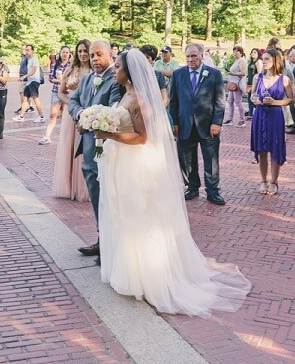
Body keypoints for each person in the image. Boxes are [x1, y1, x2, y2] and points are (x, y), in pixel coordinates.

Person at [93, 49, 251, 316]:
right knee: (124, 215)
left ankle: (147, 275)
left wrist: (106, 133)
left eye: (118, 67)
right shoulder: (125, 94)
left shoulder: (140, 99)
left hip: (136, 164)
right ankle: (129, 269)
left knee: (139, 216)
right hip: (122, 161)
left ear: (129, 72)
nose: (115, 71)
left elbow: (142, 137)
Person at [67, 40, 123, 261]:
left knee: (109, 196)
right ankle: (102, 240)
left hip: (106, 149)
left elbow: (113, 113)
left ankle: (111, 244)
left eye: (99, 54)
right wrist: (81, 114)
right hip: (89, 151)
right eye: (91, 55)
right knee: (96, 195)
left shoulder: (117, 79)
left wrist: (90, 119)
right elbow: (73, 101)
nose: (94, 59)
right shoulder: (88, 78)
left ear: (111, 54)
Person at [169, 43, 227, 205]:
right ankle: (192, 187)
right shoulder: (178, 74)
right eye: (188, 56)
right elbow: (173, 102)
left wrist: (217, 122)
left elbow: (220, 101)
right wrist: (174, 123)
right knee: (186, 159)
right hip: (184, 124)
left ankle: (212, 191)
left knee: (211, 159)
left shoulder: (214, 74)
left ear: (202, 56)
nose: (190, 59)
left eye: (194, 56)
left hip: (208, 125)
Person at [250, 49, 293, 195]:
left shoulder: (284, 79)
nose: (264, 62)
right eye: (263, 59)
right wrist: (255, 100)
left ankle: (274, 181)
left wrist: (275, 102)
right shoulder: (257, 77)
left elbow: (290, 99)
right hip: (260, 114)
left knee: (275, 148)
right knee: (261, 149)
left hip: (275, 115)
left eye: (267, 59)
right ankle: (263, 181)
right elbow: (252, 96)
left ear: (275, 60)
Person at [53, 40, 92, 201]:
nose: (82, 54)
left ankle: (84, 188)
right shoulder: (71, 70)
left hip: (89, 114)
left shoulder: (94, 70)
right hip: (72, 116)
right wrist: (72, 104)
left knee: (85, 150)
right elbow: (61, 92)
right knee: (70, 149)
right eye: (80, 51)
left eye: (85, 51)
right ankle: (69, 186)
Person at [39, 45, 72, 144]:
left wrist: (65, 81)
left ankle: (67, 139)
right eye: (63, 52)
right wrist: (59, 81)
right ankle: (47, 136)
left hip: (68, 93)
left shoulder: (72, 66)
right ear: (60, 53)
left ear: (69, 54)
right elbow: (50, 78)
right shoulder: (55, 64)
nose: (65, 54)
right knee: (53, 114)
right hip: (56, 91)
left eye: (67, 52)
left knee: (69, 116)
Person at [15, 44, 44, 122]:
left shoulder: (34, 59)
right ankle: (21, 117)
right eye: (26, 50)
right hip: (29, 82)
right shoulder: (29, 59)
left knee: (35, 99)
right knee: (25, 99)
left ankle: (41, 117)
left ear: (32, 51)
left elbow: (34, 70)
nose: (26, 51)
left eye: (28, 50)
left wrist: (24, 76)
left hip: (34, 81)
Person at [222, 46, 248, 127]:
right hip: (232, 83)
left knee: (238, 102)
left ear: (240, 52)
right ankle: (230, 118)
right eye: (234, 51)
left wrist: (233, 73)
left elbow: (243, 73)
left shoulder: (241, 61)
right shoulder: (236, 61)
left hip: (237, 84)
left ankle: (242, 119)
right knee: (229, 101)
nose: (235, 53)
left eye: (236, 51)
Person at [246, 48, 261, 119]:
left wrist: (256, 84)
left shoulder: (258, 62)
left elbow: (259, 74)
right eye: (252, 52)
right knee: (249, 98)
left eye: (255, 52)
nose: (253, 54)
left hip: (255, 83)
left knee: (254, 98)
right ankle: (250, 113)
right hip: (249, 82)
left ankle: (255, 114)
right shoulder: (251, 62)